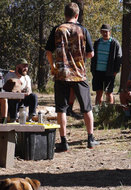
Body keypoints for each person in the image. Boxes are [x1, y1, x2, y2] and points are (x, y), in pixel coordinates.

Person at [45, 2, 99, 151]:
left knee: (61, 109)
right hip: (79, 74)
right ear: (77, 15)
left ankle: (63, 142)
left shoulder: (57, 30)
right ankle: (90, 138)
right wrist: (80, 58)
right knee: (86, 108)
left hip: (61, 73)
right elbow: (91, 53)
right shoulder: (83, 30)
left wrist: (53, 66)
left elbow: (49, 52)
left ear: (65, 15)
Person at [91, 24, 122, 105]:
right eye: (103, 31)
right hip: (97, 71)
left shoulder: (115, 43)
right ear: (101, 32)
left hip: (109, 72)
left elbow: (119, 58)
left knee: (109, 92)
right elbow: (93, 57)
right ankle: (97, 111)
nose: (105, 33)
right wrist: (92, 69)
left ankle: (109, 111)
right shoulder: (97, 42)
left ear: (110, 32)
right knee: (99, 92)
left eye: (106, 32)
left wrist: (116, 70)